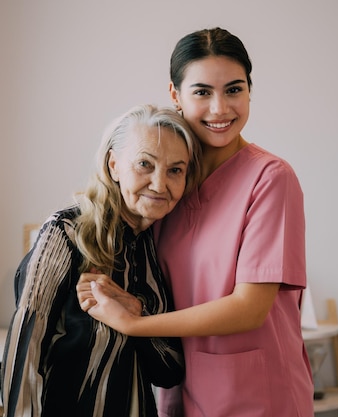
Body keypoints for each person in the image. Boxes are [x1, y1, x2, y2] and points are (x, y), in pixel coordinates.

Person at [77, 28, 314, 417]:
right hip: (180, 386)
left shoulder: (271, 179)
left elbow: (249, 308)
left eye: (234, 90)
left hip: (258, 393)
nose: (220, 108)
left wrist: (136, 323)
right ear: (176, 95)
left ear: (249, 92)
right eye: (202, 92)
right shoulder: (169, 182)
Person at [0, 103, 202, 417]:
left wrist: (137, 315)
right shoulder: (65, 233)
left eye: (175, 170)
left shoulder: (155, 247)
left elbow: (170, 371)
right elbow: (24, 353)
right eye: (145, 164)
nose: (160, 184)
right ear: (113, 165)